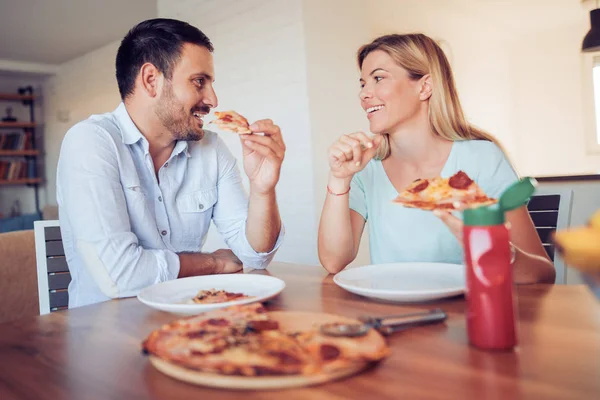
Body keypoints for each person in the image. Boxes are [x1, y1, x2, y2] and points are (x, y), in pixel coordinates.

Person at [57, 19, 286, 308]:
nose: (213, 100)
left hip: (192, 323)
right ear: (151, 80)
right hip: (106, 333)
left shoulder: (211, 148)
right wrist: (212, 263)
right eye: (199, 81)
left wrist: (263, 188)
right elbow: (119, 275)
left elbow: (256, 256)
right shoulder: (90, 142)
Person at [318, 33, 555, 284]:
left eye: (378, 78)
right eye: (363, 83)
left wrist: (493, 251)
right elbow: (334, 261)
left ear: (425, 87)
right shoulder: (366, 169)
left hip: (466, 315)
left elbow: (542, 274)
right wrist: (339, 179)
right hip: (393, 316)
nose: (364, 94)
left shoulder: (481, 158)